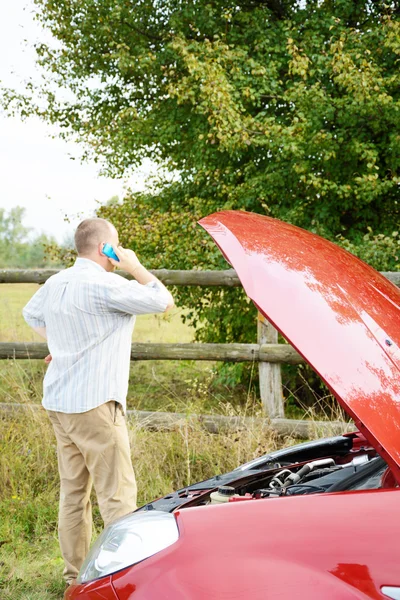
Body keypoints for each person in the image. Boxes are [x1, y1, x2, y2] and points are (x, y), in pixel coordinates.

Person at [22, 218, 174, 591]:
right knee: (117, 496)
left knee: (73, 494)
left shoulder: (58, 282)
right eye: (116, 246)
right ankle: (120, 581)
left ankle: (74, 577)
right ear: (107, 247)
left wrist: (58, 347)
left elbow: (31, 314)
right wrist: (134, 265)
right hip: (95, 405)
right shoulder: (105, 285)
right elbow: (163, 301)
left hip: (60, 403)